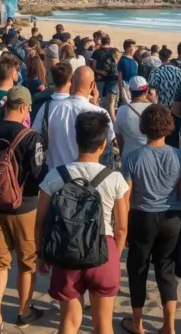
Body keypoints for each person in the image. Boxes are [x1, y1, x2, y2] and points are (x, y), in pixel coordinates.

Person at [36, 112, 130, 334]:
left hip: (66, 251)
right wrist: (114, 255)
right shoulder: (115, 178)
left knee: (68, 322)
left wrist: (40, 253)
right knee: (104, 324)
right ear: (103, 144)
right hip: (103, 250)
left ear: (76, 140)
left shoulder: (55, 176)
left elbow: (40, 220)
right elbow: (122, 227)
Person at [0, 87, 48, 333]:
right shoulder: (31, 136)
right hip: (25, 206)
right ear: (23, 107)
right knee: (26, 261)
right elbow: (39, 173)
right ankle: (24, 311)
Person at [120, 105, 181, 334]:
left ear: (144, 127)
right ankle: (169, 326)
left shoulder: (133, 157)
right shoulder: (179, 155)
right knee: (166, 270)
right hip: (171, 216)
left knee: (137, 270)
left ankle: (137, 324)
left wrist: (122, 225)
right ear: (168, 127)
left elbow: (126, 196)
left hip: (142, 216)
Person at [33, 66, 116, 169]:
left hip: (54, 178)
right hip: (89, 179)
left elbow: (35, 141)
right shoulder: (100, 113)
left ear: (72, 81)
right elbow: (107, 152)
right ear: (93, 85)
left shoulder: (47, 108)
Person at [115, 76, 155, 156]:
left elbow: (119, 138)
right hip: (150, 155)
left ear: (130, 90)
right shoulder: (154, 109)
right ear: (147, 90)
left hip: (128, 155)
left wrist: (122, 154)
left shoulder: (121, 110)